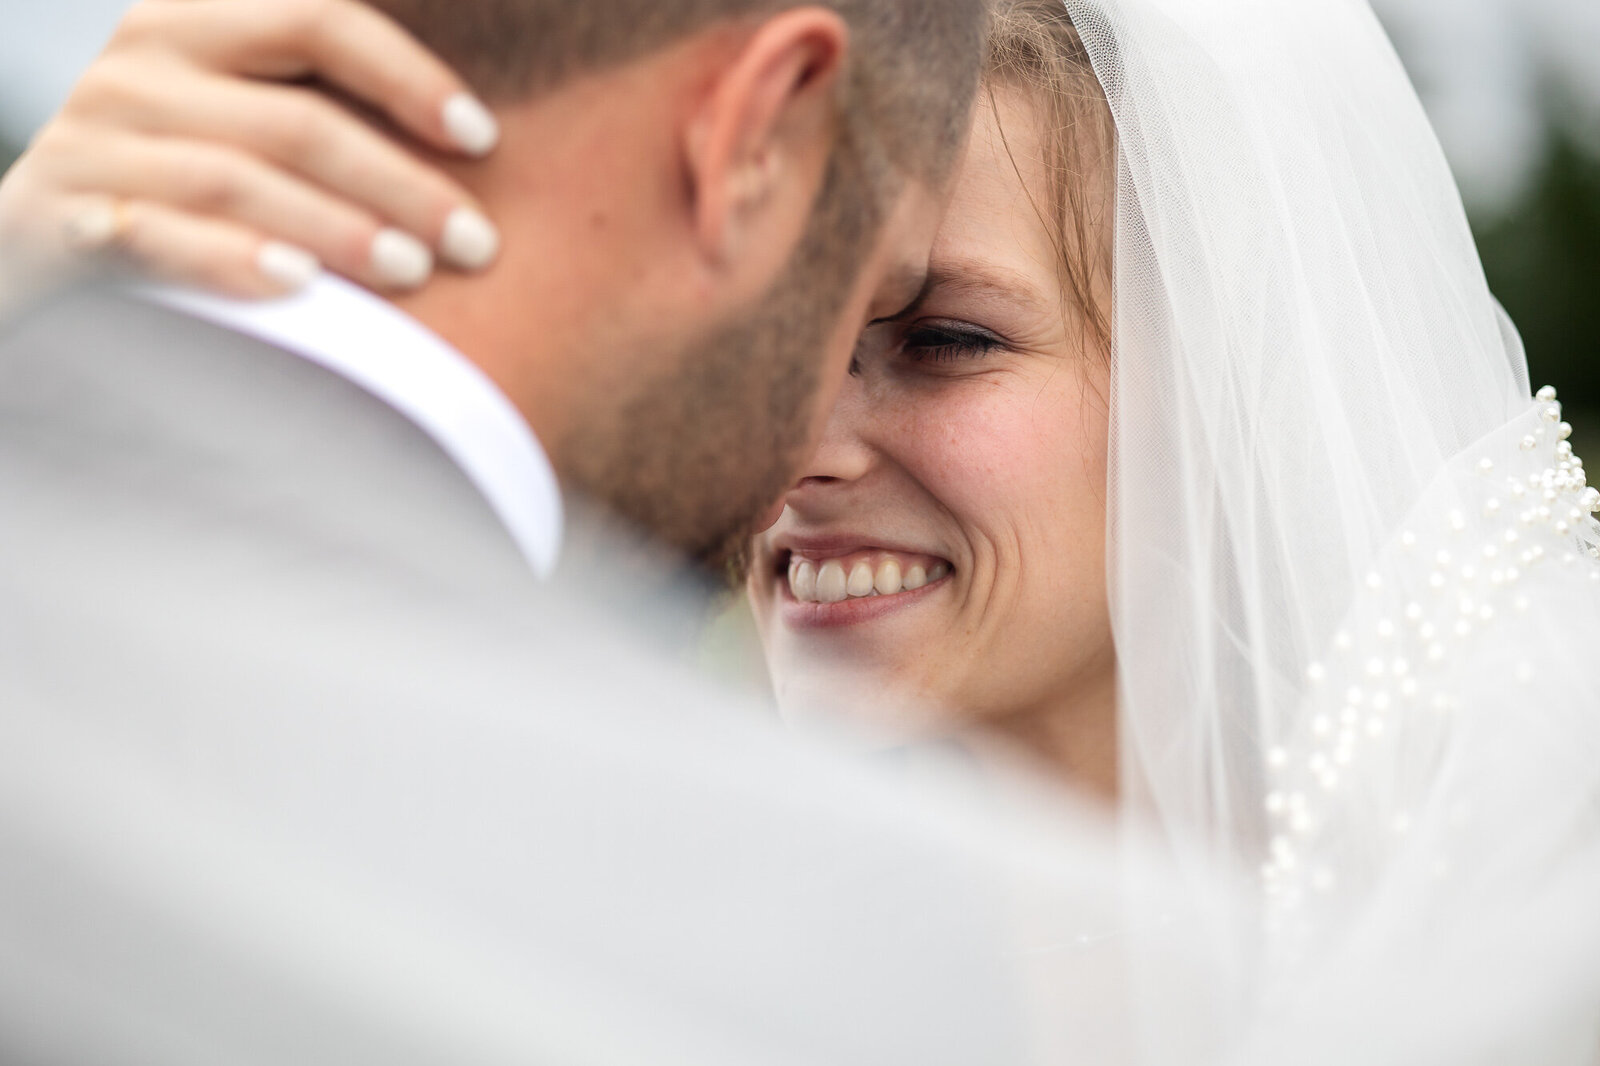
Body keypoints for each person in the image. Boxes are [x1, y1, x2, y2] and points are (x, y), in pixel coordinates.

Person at [10, 0, 1600, 1062]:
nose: (797, 454)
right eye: (794, 345)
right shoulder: (592, 872)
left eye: (942, 340)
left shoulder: (1525, 921)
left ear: (1233, 380)